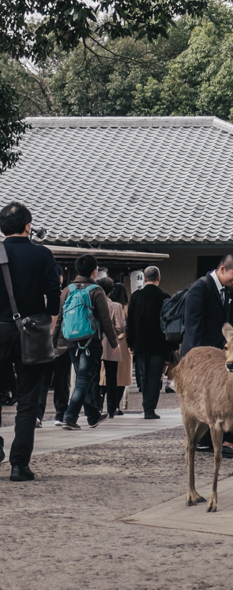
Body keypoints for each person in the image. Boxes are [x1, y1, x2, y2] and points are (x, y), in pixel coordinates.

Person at [0, 201, 60, 481]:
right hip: (32, 329)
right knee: (28, 398)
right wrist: (51, 321)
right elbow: (53, 293)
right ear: (28, 226)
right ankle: (19, 464)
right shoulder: (42, 255)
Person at [182, 254, 233, 454]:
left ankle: (231, 441)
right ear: (222, 269)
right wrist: (206, 361)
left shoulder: (227, 290)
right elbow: (193, 329)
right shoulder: (199, 288)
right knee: (210, 401)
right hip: (201, 359)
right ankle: (207, 441)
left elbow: (229, 327)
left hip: (223, 357)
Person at [57, 253, 115, 429]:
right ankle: (70, 416)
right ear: (94, 271)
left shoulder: (68, 290)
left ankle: (92, 415)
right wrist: (114, 343)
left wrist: (55, 340)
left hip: (71, 342)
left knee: (84, 378)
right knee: (84, 380)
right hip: (91, 342)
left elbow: (60, 317)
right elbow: (105, 320)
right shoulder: (96, 291)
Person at [126, 267, 171, 419]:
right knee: (155, 376)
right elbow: (168, 324)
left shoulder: (136, 296)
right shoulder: (164, 297)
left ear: (144, 279)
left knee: (143, 375)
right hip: (159, 344)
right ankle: (149, 409)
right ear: (159, 277)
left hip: (140, 343)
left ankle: (146, 405)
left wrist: (130, 342)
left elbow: (130, 321)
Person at [100, 280, 131, 416]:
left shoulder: (98, 304)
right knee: (117, 376)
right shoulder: (121, 307)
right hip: (120, 344)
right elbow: (121, 326)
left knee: (101, 376)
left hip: (99, 342)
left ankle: (98, 405)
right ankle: (113, 407)